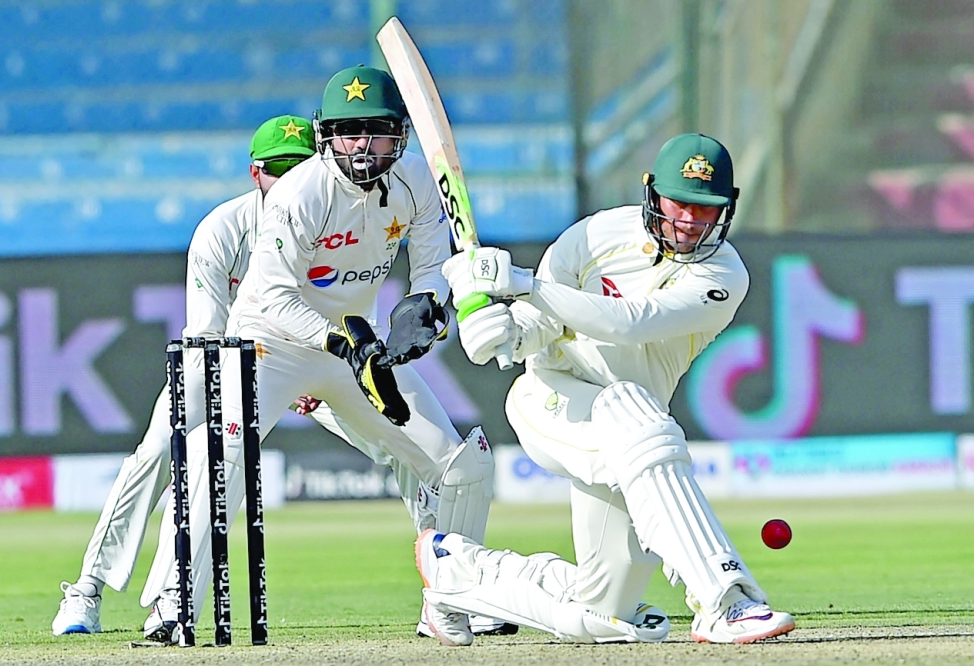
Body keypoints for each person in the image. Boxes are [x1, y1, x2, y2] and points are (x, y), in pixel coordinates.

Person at [137, 65, 499, 646]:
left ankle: (454, 597)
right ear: (325, 134)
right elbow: (274, 297)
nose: (362, 145)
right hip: (267, 345)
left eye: (376, 131)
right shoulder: (300, 194)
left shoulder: (416, 186)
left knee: (463, 465)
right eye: (348, 131)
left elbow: (432, 266)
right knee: (217, 459)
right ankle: (172, 606)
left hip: (353, 348)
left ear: (398, 135)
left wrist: (424, 305)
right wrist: (343, 343)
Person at [418, 133, 797, 645]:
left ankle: (456, 570)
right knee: (635, 412)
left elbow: (628, 322)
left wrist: (524, 284)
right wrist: (498, 328)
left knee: (601, 613)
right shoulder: (594, 237)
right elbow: (537, 326)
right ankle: (726, 600)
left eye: (705, 210)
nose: (689, 220)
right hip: (551, 399)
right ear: (653, 193)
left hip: (632, 435)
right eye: (680, 203)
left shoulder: (724, 274)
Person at [50, 114, 319, 636]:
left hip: (312, 358)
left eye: (302, 168)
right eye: (278, 170)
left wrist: (311, 377)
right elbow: (208, 332)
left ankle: (448, 580)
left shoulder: (336, 229)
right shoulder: (222, 230)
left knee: (397, 437)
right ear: (254, 173)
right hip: (222, 359)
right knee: (158, 453)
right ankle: (88, 589)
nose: (289, 183)